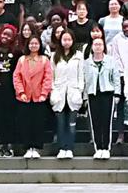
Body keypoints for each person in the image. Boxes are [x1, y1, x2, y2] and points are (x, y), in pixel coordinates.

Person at [13, 35, 52, 159]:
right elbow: (16, 77)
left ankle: (36, 147)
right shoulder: (22, 59)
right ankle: (27, 147)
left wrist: (44, 93)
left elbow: (48, 78)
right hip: (24, 96)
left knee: (38, 123)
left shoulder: (44, 60)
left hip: (39, 97)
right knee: (25, 123)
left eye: (36, 43)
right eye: (31, 43)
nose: (33, 46)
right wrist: (21, 92)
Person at [84, 37, 122, 160]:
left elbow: (116, 78)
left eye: (100, 44)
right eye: (95, 44)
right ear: (92, 46)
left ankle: (106, 148)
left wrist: (117, 94)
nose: (98, 47)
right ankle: (98, 148)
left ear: (104, 46)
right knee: (95, 122)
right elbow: (85, 81)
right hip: (92, 94)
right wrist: (85, 97)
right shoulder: (86, 63)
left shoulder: (111, 61)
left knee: (106, 122)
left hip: (107, 94)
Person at [50, 29, 85, 159]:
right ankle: (61, 148)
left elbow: (81, 75)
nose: (66, 42)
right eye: (64, 39)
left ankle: (69, 148)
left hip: (73, 92)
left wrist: (79, 91)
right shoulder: (54, 56)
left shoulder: (78, 55)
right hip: (59, 92)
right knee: (60, 124)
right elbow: (51, 75)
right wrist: (53, 91)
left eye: (69, 39)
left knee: (71, 124)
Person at [0, 24, 22, 157]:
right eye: (4, 34)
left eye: (9, 35)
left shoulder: (16, 52)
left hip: (10, 90)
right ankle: (1, 144)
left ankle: (10, 144)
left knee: (10, 117)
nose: (5, 37)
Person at [110, 20, 128, 145]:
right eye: (125, 27)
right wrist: (121, 72)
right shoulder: (117, 39)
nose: (127, 29)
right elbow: (115, 57)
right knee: (121, 106)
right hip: (121, 75)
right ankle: (120, 135)